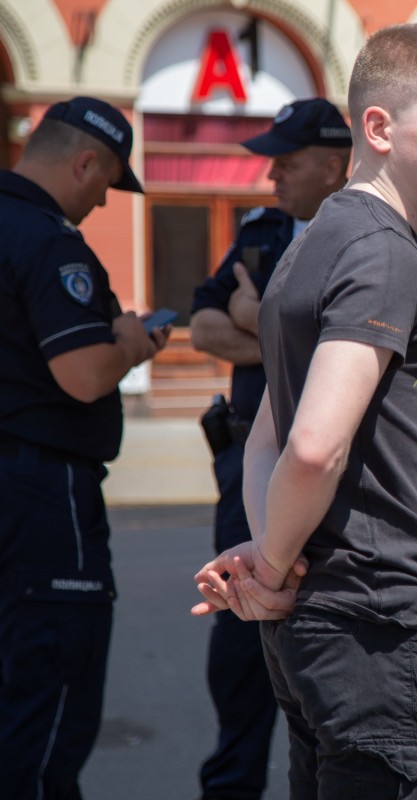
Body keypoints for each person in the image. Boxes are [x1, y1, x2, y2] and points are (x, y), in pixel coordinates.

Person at [191, 23, 417, 799]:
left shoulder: (310, 244)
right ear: (379, 128)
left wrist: (273, 561)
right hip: (381, 630)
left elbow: (267, 437)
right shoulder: (382, 251)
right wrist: (270, 569)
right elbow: (312, 446)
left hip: (320, 627)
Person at [0, 97, 167, 799]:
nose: (102, 202)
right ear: (85, 162)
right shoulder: (50, 242)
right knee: (44, 715)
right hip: (42, 500)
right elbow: (86, 374)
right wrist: (128, 342)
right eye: (107, 184)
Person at [189, 97, 351, 800]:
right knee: (238, 645)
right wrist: (283, 334)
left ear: (335, 166)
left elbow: (351, 351)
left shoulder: (361, 242)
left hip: (326, 475)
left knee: (319, 644)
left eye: (287, 161)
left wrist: (255, 318)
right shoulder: (261, 233)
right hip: (246, 472)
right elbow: (203, 328)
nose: (272, 175)